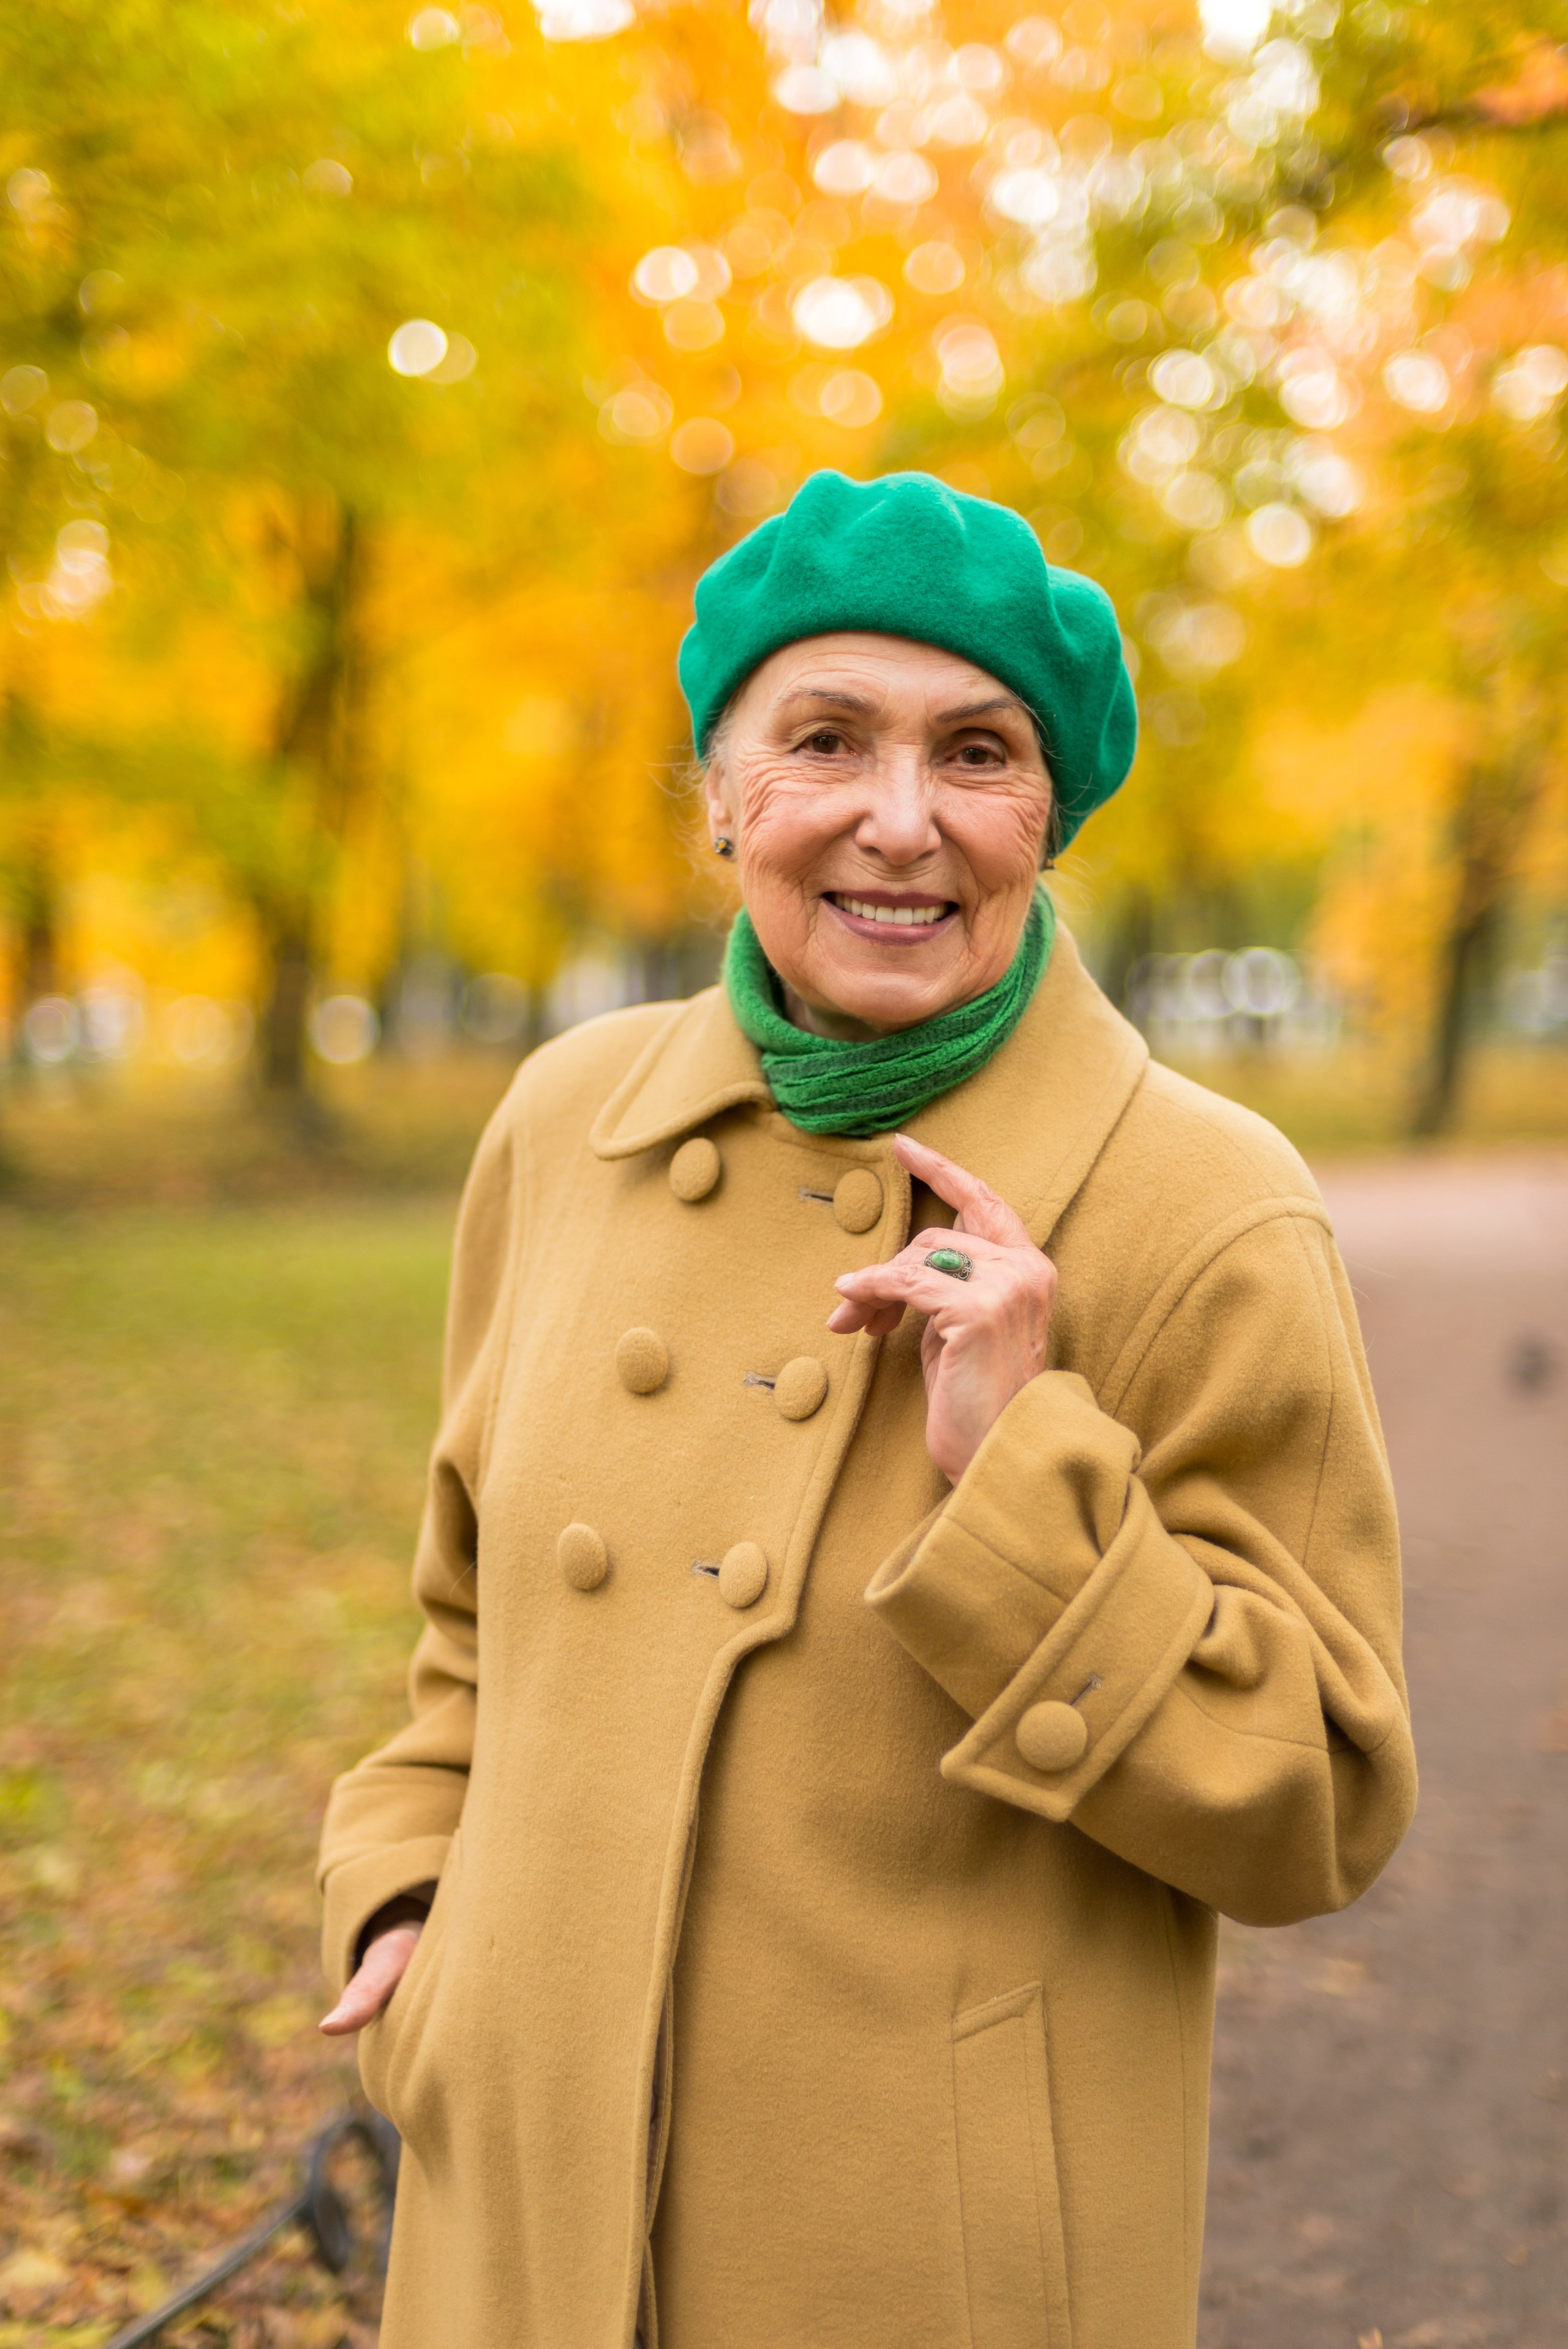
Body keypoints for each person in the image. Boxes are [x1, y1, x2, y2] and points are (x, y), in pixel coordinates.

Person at [315, 470, 1414, 2349]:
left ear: (1046, 816)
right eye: (825, 738)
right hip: (515, 2195)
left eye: (976, 753)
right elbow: (466, 1631)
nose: (900, 821)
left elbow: (1316, 1804)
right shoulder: (568, 1124)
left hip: (916, 2260)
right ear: (721, 792)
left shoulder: (1203, 1201)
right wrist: (409, 1897)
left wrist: (1020, 1481)